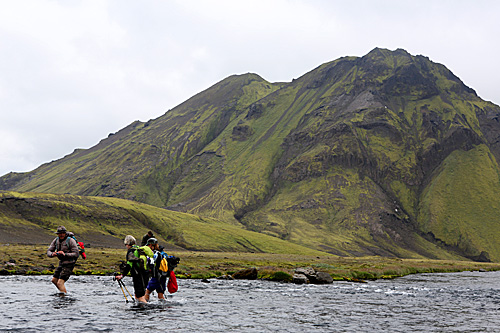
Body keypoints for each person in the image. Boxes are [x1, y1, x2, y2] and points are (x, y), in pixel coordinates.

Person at [115, 235, 154, 303]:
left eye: (126, 244)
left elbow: (129, 265)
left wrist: (122, 276)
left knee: (139, 296)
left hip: (138, 275)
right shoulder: (139, 249)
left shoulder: (131, 251)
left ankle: (146, 309)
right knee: (139, 294)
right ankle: (141, 308)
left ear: (127, 243)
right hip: (145, 275)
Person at [47, 226, 79, 294]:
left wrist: (65, 254)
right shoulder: (56, 240)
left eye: (63, 233)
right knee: (54, 280)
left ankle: (64, 297)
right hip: (62, 263)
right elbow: (49, 251)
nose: (61, 235)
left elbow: (76, 254)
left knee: (60, 283)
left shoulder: (70, 241)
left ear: (65, 233)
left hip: (70, 263)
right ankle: (64, 293)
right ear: (57, 234)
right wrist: (52, 254)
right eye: (59, 233)